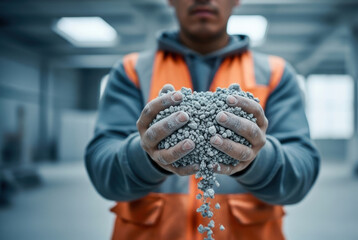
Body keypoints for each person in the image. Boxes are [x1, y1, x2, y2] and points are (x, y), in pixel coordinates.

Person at [85, 0, 320, 239]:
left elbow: (301, 172)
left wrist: (255, 159)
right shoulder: (132, 71)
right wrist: (147, 155)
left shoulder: (275, 73)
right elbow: (102, 170)